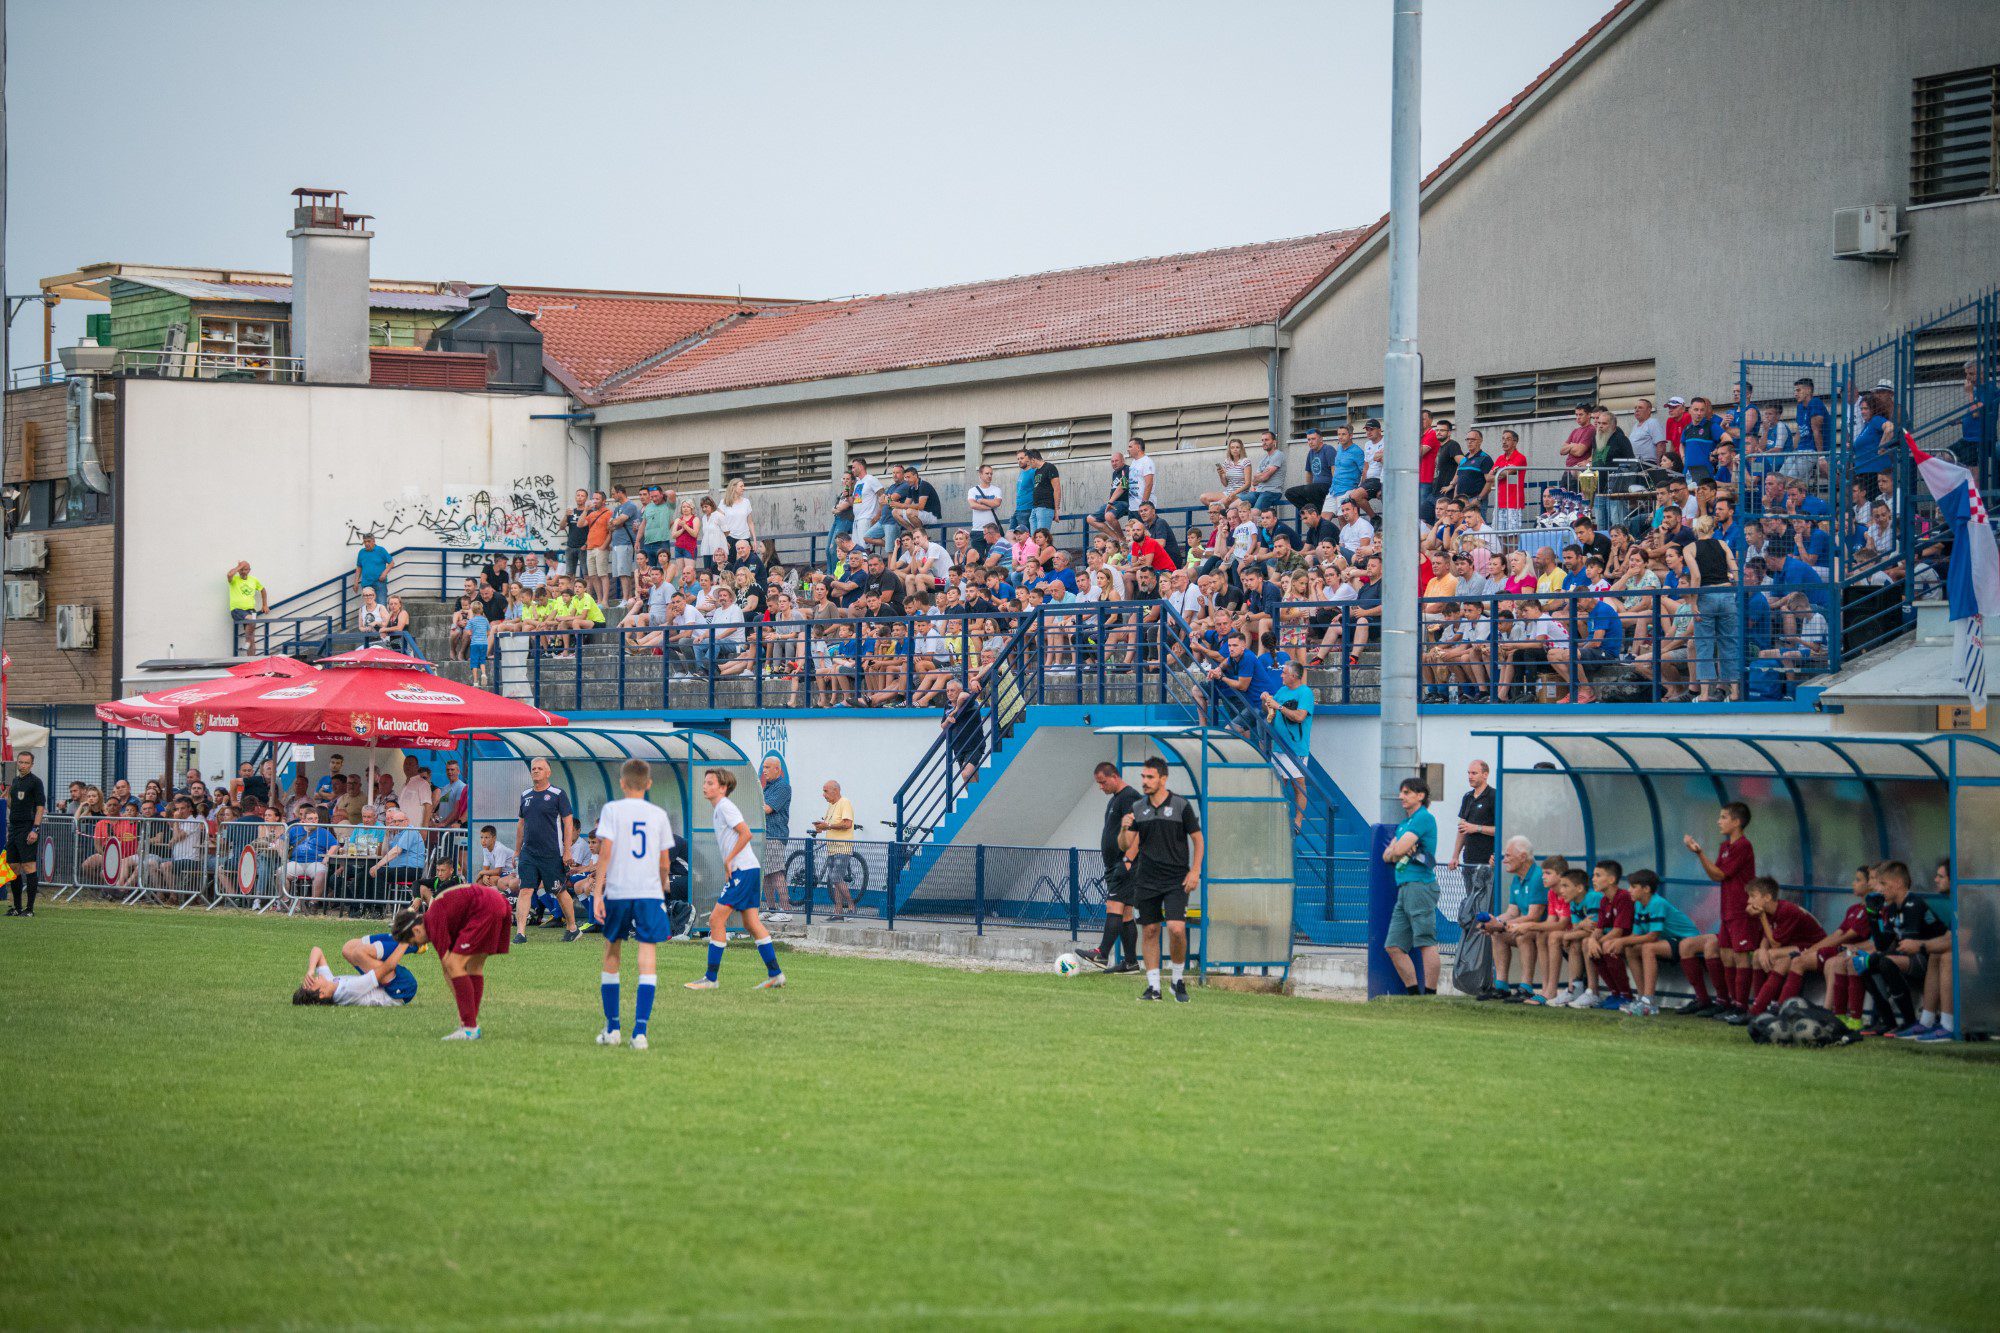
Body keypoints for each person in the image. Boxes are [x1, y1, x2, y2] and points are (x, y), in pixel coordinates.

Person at [587, 759, 677, 1049]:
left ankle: (612, 1029)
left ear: (622, 783)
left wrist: (598, 893)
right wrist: (662, 884)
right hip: (648, 892)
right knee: (647, 954)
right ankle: (640, 1033)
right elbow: (665, 862)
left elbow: (605, 854)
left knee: (612, 951)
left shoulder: (612, 810)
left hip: (619, 890)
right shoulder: (659, 814)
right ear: (649, 784)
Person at [685, 769, 785, 991]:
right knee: (751, 923)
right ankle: (776, 974)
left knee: (715, 920)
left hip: (743, 871)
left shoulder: (724, 806)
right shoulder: (719, 808)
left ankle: (711, 978)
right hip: (747, 870)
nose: (705, 786)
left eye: (710, 783)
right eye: (705, 782)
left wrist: (729, 859)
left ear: (722, 788)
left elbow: (746, 833)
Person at [1118, 755, 1203, 1003]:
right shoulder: (1138, 809)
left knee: (1177, 929)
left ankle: (1177, 980)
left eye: (1150, 777)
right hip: (1146, 879)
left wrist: (1195, 870)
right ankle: (1154, 988)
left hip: (1176, 879)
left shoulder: (1180, 805)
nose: (1144, 781)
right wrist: (1124, 828)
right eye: (1143, 777)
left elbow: (1198, 839)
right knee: (1150, 930)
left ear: (1163, 779)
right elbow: (1125, 845)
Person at [404, 884, 511, 1040]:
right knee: (474, 967)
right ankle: (470, 1024)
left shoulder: (432, 919)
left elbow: (449, 967)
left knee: (454, 964)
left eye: (415, 942)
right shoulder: (437, 915)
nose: (419, 946)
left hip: (484, 907)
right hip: (499, 902)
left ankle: (469, 1028)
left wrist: (463, 1004)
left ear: (416, 930)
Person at [1681, 800, 1755, 1016]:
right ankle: (1728, 1003)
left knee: (1740, 956)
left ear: (1737, 822)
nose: (1718, 821)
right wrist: (1700, 854)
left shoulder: (1743, 845)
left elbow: (1721, 874)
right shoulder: (1725, 847)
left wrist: (1700, 853)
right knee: (1725, 954)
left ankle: (1741, 1006)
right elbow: (1716, 875)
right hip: (1727, 910)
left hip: (1741, 910)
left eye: (1723, 817)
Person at [1076, 761, 1142, 973]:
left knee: (1114, 906)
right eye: (1098, 783)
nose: (1100, 787)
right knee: (1126, 914)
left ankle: (1102, 954)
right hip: (1116, 864)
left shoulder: (1129, 797)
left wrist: (1128, 861)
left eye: (1103, 782)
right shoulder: (1116, 799)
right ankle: (1131, 963)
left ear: (1114, 776)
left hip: (1124, 865)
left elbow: (1138, 831)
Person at [1382, 777, 1441, 995]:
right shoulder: (1404, 824)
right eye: (1401, 792)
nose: (1401, 797)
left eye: (1406, 792)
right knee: (1394, 946)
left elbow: (1396, 852)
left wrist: (1399, 850)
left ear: (1420, 796)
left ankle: (1430, 994)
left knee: (1425, 941)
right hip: (1405, 888)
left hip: (1420, 886)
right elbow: (1387, 855)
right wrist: (1399, 849)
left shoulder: (1423, 818)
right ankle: (1414, 994)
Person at [512, 757, 579, 943]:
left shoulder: (558, 794)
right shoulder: (525, 795)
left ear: (548, 773)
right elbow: (521, 824)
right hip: (529, 853)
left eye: (540, 768)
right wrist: (517, 851)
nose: (536, 771)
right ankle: (521, 933)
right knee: (525, 889)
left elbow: (568, 822)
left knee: (558, 890)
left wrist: (567, 850)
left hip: (551, 854)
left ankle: (573, 927)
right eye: (533, 768)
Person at [1743, 878, 1827, 1019]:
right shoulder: (1770, 911)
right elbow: (1766, 937)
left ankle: (1770, 1009)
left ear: (1767, 897)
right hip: (1794, 946)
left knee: (1774, 956)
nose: (1748, 901)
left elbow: (1775, 944)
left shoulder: (1787, 910)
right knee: (1758, 955)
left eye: (1753, 896)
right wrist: (1763, 950)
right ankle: (1759, 1007)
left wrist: (1761, 917)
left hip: (1813, 948)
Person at [1617, 869, 1698, 1016]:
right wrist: (1622, 942)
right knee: (1630, 949)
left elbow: (1652, 936)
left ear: (1646, 889)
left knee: (1648, 948)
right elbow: (1636, 935)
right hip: (1669, 941)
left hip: (1687, 940)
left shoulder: (1657, 903)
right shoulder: (1638, 904)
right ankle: (1641, 998)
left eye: (1633, 887)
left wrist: (1620, 941)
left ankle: (1649, 1002)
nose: (1629, 890)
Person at [1476, 836, 1543, 1000]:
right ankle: (1501, 986)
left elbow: (1534, 916)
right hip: (1528, 926)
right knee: (1497, 934)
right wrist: (1493, 922)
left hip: (1542, 929)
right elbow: (1512, 912)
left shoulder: (1537, 877)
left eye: (1508, 856)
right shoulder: (1517, 879)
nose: (1504, 860)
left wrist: (1501, 924)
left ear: (1522, 857)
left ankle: (1526, 987)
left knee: (1523, 934)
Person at [1260, 659, 1314, 829]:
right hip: (1278, 747)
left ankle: (1298, 821)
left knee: (1298, 784)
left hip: (1295, 749)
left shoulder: (1305, 693)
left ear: (1294, 676)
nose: (1281, 675)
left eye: (1284, 673)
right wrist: (1266, 701)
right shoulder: (1282, 690)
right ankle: (1276, 819)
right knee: (1276, 784)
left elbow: (1299, 717)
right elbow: (1269, 711)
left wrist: (1279, 706)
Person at [291, 936, 418, 1008]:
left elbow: (317, 950)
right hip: (401, 989)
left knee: (348, 948)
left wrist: (310, 970)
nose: (312, 979)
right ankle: (411, 940)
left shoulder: (329, 984)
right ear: (321, 994)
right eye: (310, 984)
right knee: (359, 953)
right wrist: (404, 943)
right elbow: (386, 969)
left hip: (390, 982)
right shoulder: (346, 991)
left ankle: (399, 934)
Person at [1446, 759, 1495, 906]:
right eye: (1469, 773)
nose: (1470, 776)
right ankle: (1472, 929)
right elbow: (1462, 828)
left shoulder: (1494, 796)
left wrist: (1477, 828)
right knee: (1471, 905)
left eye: (1474, 773)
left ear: (1485, 775)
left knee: (1486, 906)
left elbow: (1502, 829)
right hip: (1469, 862)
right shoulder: (1467, 797)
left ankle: (1484, 929)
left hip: (1487, 863)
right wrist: (1455, 856)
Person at [5, 751, 45, 917]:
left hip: (27, 827)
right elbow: (11, 805)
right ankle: (16, 907)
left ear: (31, 764)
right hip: (14, 828)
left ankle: (29, 909)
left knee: (29, 866)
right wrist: (7, 792)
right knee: (13, 868)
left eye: (26, 763)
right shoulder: (14, 781)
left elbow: (40, 807)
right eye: (20, 762)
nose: (22, 766)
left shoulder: (35, 782)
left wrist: (35, 829)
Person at [811, 779, 858, 919]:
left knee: (836, 877)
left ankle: (851, 905)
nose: (823, 794)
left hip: (842, 847)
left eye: (825, 791)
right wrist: (820, 827)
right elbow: (830, 825)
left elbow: (847, 824)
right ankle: (838, 911)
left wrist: (828, 826)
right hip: (832, 848)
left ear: (835, 790)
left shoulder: (845, 802)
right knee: (834, 880)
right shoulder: (831, 806)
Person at [759, 757, 795, 921]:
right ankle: (771, 907)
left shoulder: (783, 787)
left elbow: (767, 808)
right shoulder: (767, 787)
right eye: (763, 767)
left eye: (767, 767)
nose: (763, 771)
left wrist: (753, 804)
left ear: (777, 769)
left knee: (776, 872)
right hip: (764, 835)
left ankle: (786, 910)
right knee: (766, 874)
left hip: (775, 835)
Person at [284, 806, 338, 901]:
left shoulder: (323, 832)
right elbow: (280, 842)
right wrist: (284, 858)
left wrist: (327, 857)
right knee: (281, 873)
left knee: (321, 873)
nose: (314, 821)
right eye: (310, 819)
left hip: (315, 862)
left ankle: (314, 903)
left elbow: (335, 845)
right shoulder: (294, 829)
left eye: (316, 818)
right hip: (296, 862)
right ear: (303, 820)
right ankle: (285, 902)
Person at [226, 560, 268, 655]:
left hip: (250, 610)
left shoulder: (253, 580)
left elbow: (262, 589)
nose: (244, 572)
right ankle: (248, 641)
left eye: (246, 569)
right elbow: (229, 575)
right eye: (242, 570)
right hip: (237, 610)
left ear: (249, 570)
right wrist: (239, 567)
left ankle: (251, 661)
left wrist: (264, 605)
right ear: (239, 571)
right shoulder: (234, 580)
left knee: (252, 638)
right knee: (251, 620)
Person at [353, 534, 393, 603]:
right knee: (368, 606)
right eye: (365, 542)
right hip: (366, 584)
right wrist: (356, 582)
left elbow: (391, 563)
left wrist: (384, 574)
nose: (366, 543)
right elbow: (359, 567)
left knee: (381, 605)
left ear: (373, 541)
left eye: (369, 541)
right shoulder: (361, 552)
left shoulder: (381, 550)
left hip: (379, 583)